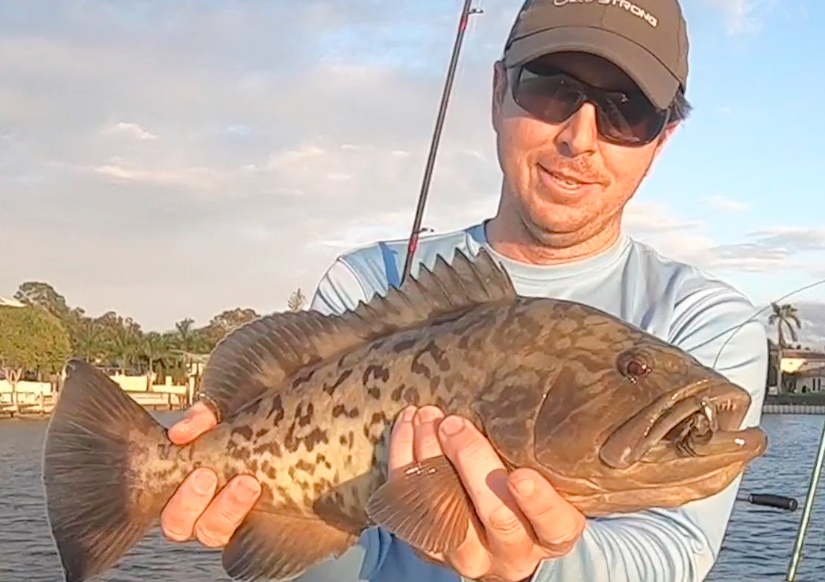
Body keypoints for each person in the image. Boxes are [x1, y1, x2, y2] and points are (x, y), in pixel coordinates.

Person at [159, 0, 768, 580]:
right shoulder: (365, 283)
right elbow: (338, 565)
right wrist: (256, 512)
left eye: (627, 111)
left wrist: (532, 567)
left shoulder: (707, 322)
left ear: (660, 140)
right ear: (499, 91)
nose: (580, 137)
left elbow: (673, 552)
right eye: (553, 88)